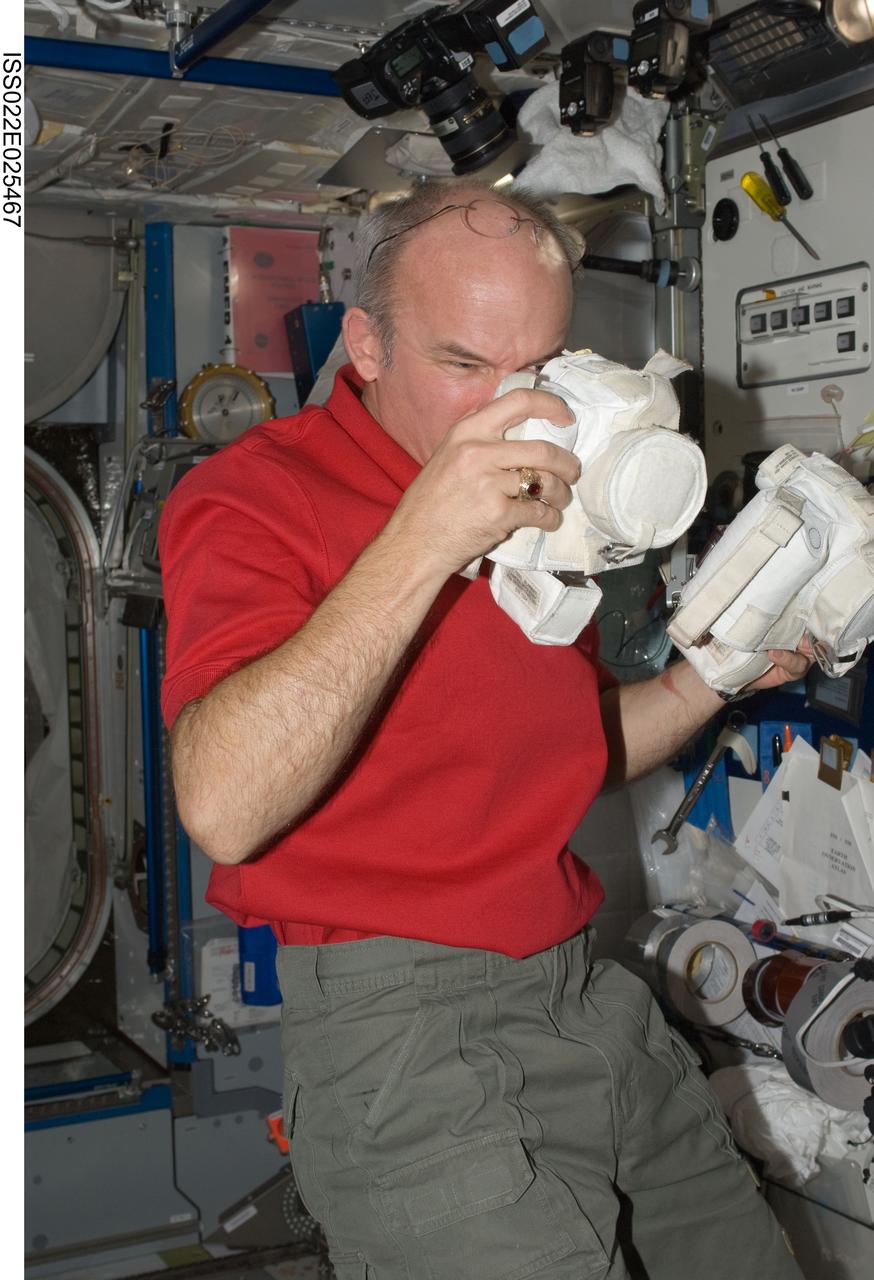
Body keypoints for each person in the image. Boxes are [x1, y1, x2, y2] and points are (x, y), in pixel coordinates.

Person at [160, 179, 807, 1279]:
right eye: (464, 365)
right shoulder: (254, 494)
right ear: (365, 345)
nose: (513, 407)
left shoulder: (550, 508)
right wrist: (425, 537)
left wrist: (720, 674)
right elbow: (222, 805)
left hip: (580, 995)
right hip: (402, 1031)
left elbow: (561, 755)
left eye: (536, 368)